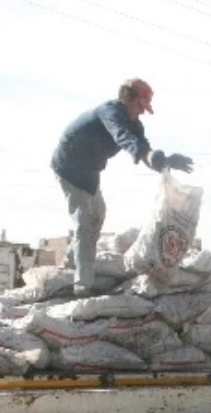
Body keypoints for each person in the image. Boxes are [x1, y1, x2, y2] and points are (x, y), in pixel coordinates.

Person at [50, 79, 194, 297]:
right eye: (140, 105)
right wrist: (146, 153)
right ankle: (82, 286)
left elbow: (144, 150)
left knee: (98, 215)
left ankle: (73, 262)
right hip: (69, 166)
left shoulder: (135, 123)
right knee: (84, 221)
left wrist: (166, 161)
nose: (142, 112)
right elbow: (123, 137)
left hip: (90, 172)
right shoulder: (110, 112)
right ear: (128, 97)